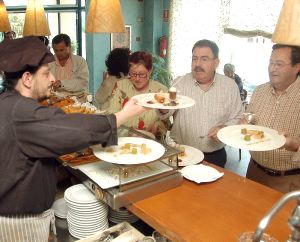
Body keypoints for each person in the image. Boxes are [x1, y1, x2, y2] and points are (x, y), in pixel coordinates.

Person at [0, 36, 145, 241]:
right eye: (46, 73)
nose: (52, 79)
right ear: (27, 79)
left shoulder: (9, 103)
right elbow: (71, 128)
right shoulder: (21, 112)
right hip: (20, 222)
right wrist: (121, 116)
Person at [170, 39, 243, 168]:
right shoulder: (179, 83)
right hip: (182, 154)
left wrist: (223, 129)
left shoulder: (230, 86)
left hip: (215, 156)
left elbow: (238, 117)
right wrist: (163, 109)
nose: (197, 64)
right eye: (194, 58)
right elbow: (165, 112)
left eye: (204, 59)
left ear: (216, 62)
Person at [243, 44, 300, 193]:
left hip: (289, 181)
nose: (272, 68)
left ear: (297, 67)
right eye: (271, 62)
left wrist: (296, 146)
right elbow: (250, 120)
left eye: (279, 64)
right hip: (254, 172)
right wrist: (244, 125)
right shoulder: (259, 91)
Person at [107, 51, 169, 139]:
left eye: (141, 74)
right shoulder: (121, 86)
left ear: (150, 71)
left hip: (151, 142)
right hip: (124, 140)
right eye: (133, 74)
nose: (137, 78)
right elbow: (112, 115)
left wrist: (158, 127)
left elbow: (166, 121)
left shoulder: (160, 91)